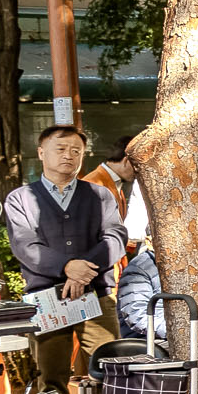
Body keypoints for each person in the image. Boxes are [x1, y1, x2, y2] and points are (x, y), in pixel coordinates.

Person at [2, 124, 124, 394]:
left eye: (76, 150)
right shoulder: (21, 199)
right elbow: (25, 245)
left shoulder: (98, 195)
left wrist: (84, 270)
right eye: (61, 148)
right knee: (52, 372)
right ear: (41, 152)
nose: (69, 155)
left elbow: (114, 237)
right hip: (48, 297)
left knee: (113, 367)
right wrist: (67, 267)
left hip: (95, 294)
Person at [84, 135, 161, 343]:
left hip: (111, 269)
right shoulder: (94, 184)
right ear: (128, 160)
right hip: (99, 274)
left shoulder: (110, 183)